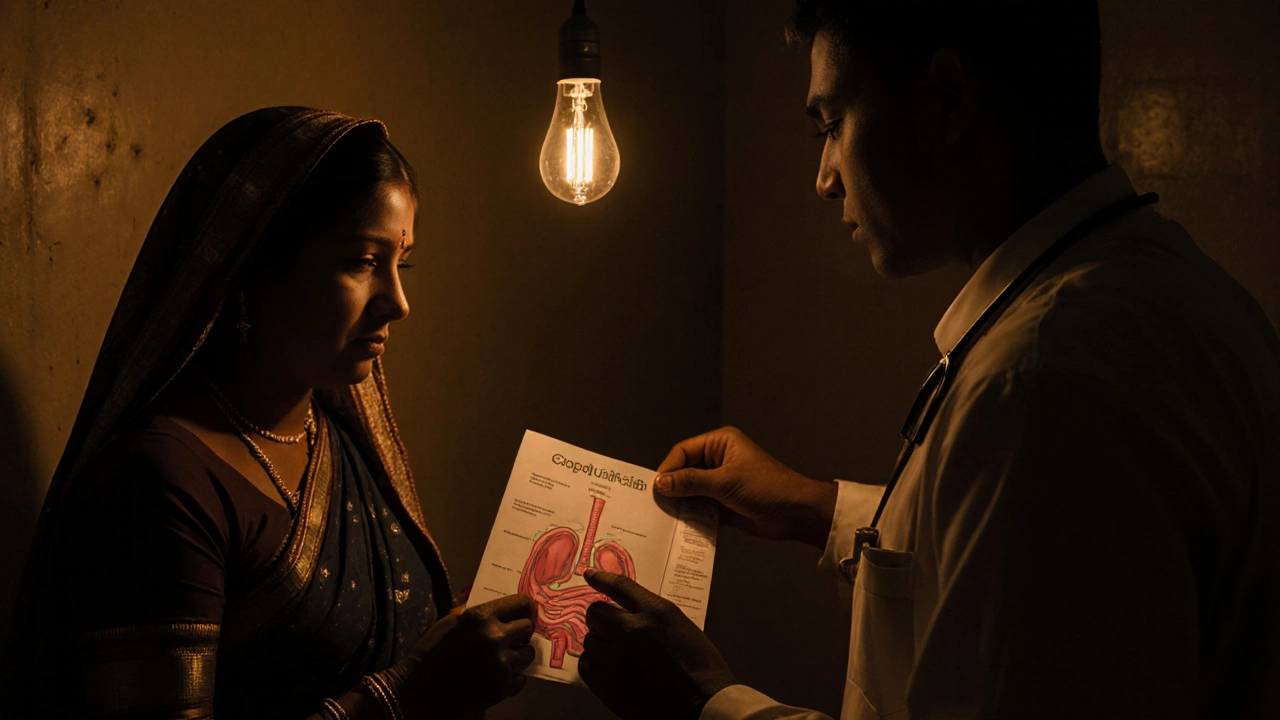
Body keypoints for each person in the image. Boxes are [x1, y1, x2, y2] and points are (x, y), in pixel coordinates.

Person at [577, 2, 1280, 719]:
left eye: (832, 125)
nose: (826, 178)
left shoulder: (1043, 381)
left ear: (948, 97)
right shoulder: (1169, 293)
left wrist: (704, 702)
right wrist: (817, 510)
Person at [3, 107, 537, 720]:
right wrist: (408, 694)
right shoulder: (158, 483)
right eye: (364, 261)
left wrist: (456, 647)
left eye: (402, 262)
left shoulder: (340, 443)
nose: (398, 302)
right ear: (252, 265)